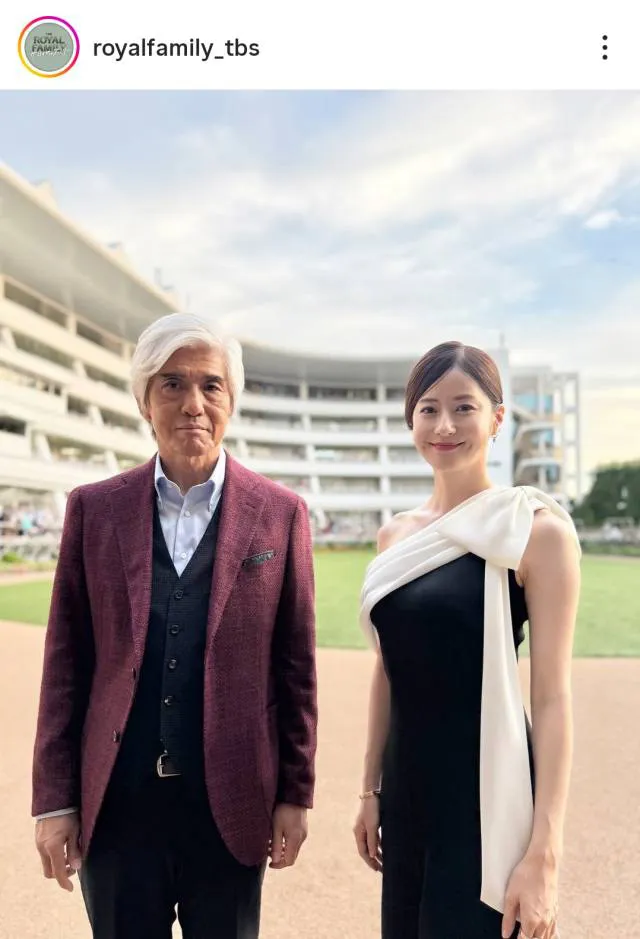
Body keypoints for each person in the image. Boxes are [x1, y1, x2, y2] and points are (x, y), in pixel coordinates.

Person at [32, 313, 318, 939]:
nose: (194, 403)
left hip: (233, 803)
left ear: (230, 401)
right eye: (172, 383)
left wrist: (295, 794)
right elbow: (65, 666)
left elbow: (295, 669)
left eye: (211, 385)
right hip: (118, 805)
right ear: (144, 401)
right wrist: (55, 801)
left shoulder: (282, 514)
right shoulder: (93, 509)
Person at [354, 341, 581, 939]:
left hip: (489, 796)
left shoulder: (536, 532)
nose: (445, 426)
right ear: (411, 421)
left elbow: (553, 699)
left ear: (497, 418)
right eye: (428, 409)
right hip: (407, 793)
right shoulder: (394, 537)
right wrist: (369, 788)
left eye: (464, 407)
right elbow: (387, 669)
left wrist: (545, 853)